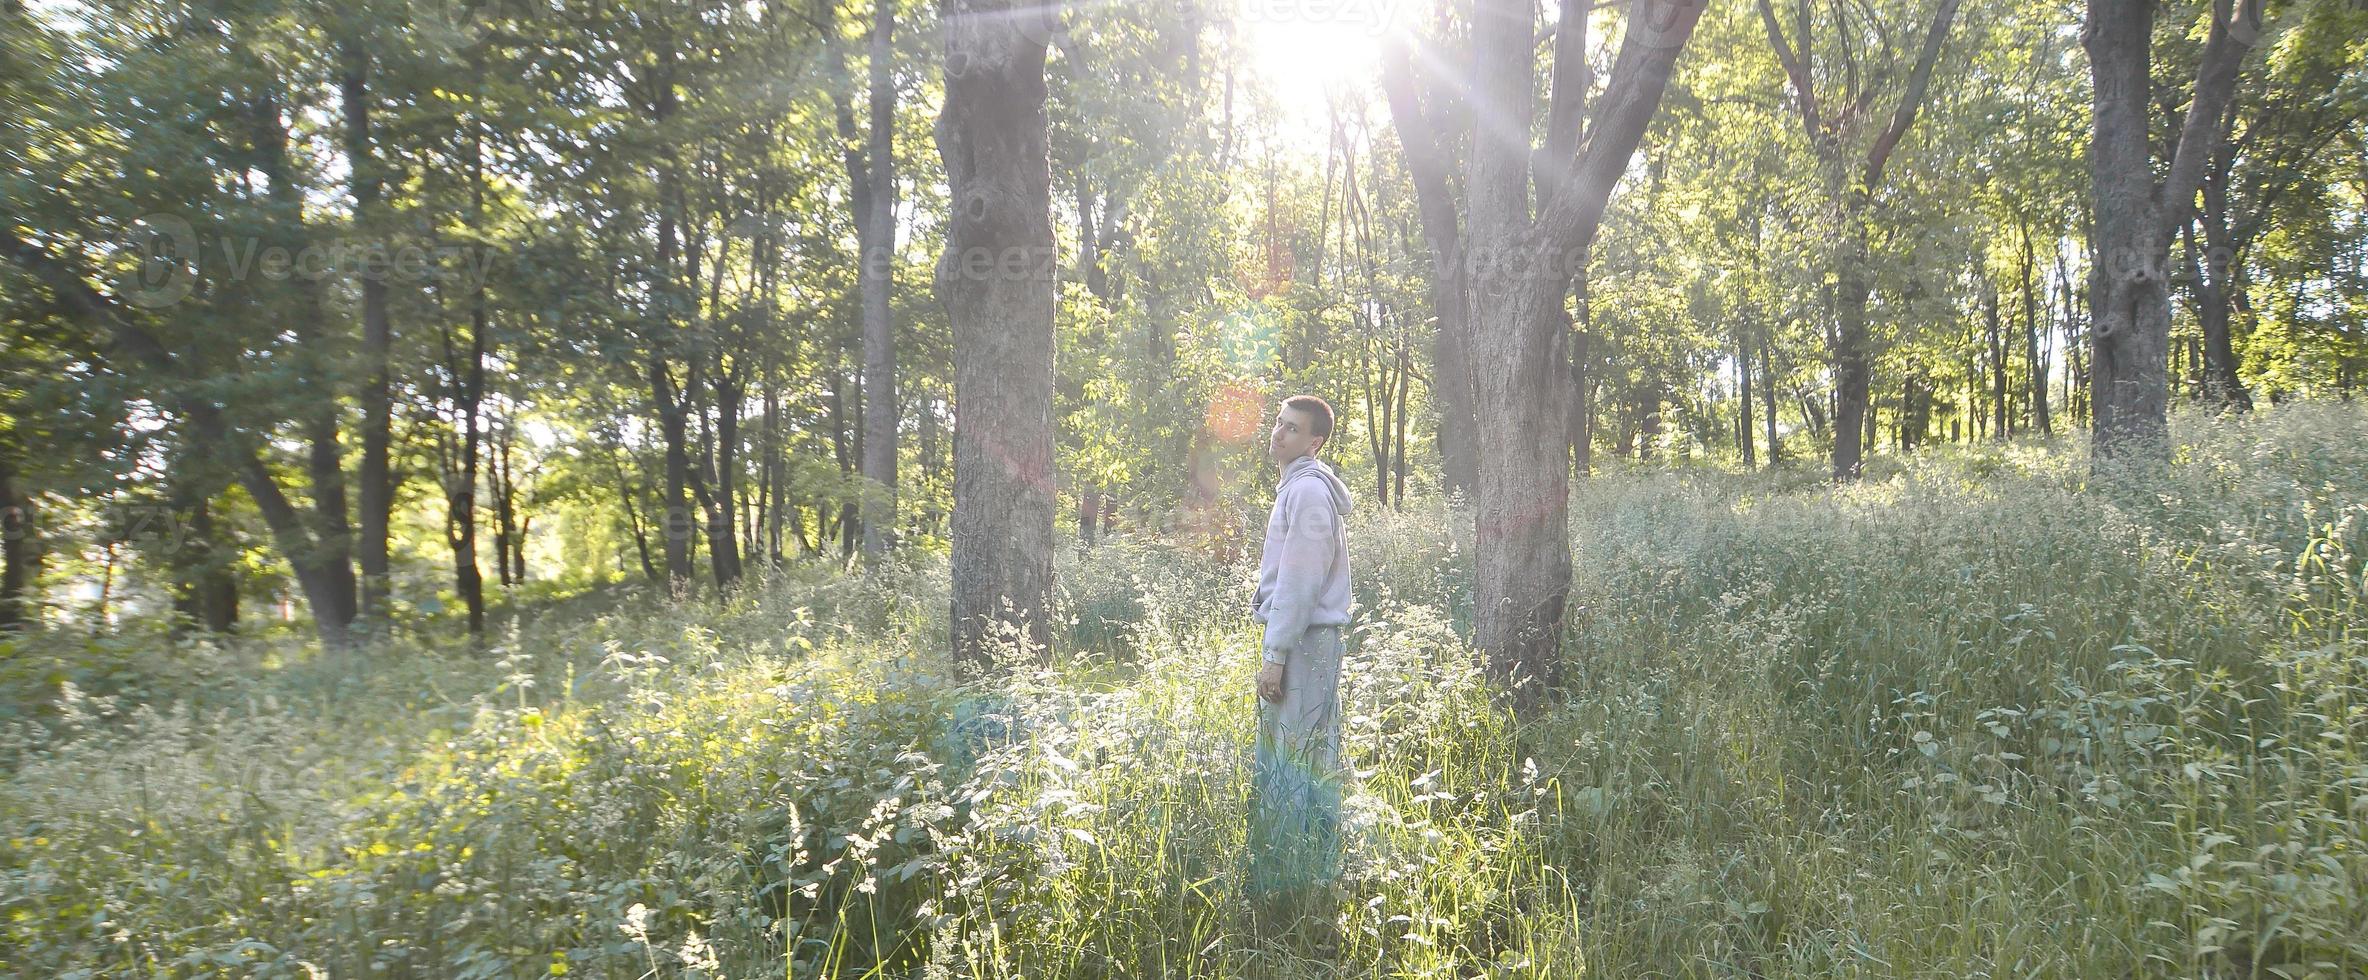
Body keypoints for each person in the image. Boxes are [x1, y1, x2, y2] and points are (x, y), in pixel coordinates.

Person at [1247, 393, 1353, 922]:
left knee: (1299, 756)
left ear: (1314, 441)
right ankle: (1301, 879)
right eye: (1278, 424)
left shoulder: (1308, 492)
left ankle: (1298, 888)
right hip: (1301, 641)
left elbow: (1300, 581)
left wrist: (1276, 653)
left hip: (1306, 643)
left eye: (1291, 429)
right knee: (1298, 754)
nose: (1278, 434)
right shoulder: (1296, 486)